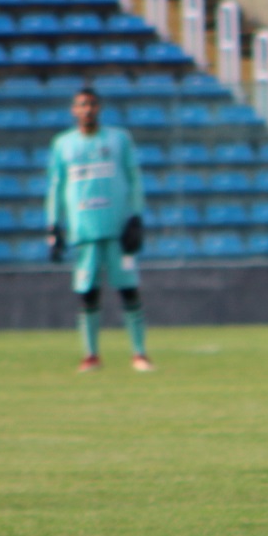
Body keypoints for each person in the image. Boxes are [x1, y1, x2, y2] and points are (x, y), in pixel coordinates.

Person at [45, 87, 152, 373]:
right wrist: (54, 225)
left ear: (99, 107)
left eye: (91, 104)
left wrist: (136, 218)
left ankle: (139, 354)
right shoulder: (63, 144)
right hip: (84, 231)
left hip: (117, 228)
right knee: (88, 293)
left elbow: (134, 177)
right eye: (81, 105)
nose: (87, 109)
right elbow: (56, 186)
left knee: (129, 289)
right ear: (73, 110)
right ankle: (91, 355)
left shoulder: (118, 140)